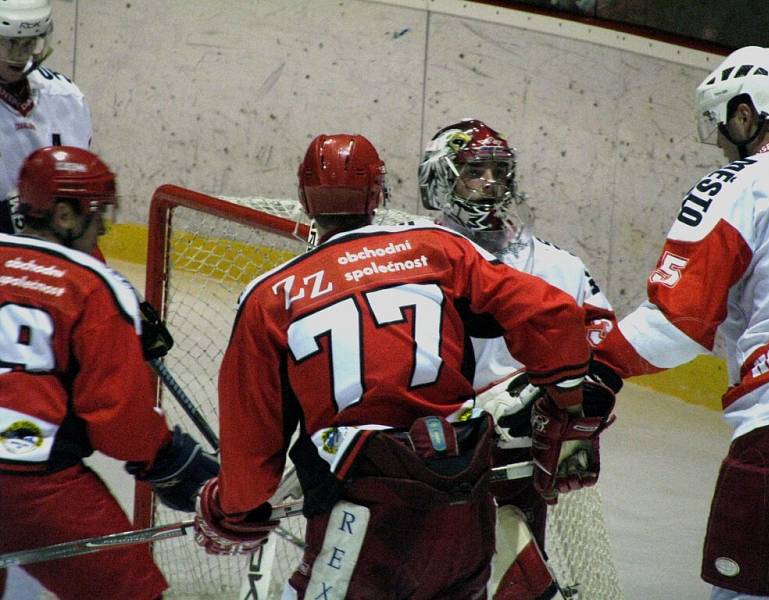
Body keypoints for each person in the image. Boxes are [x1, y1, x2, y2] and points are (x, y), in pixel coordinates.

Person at [192, 133, 613, 600]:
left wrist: (230, 510)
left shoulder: (269, 297)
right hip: (462, 506)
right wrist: (568, 405)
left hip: (361, 515)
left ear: (303, 199)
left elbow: (251, 451)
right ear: (379, 195)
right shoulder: (438, 248)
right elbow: (553, 315)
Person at [592, 46, 769, 600]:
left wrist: (595, 369)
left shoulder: (741, 183)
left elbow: (679, 323)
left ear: (745, 114)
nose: (718, 142)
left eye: (721, 125)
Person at [0, 146, 218, 600]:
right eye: (98, 213)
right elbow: (117, 420)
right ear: (64, 214)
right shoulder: (93, 286)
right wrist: (167, 461)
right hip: (34, 489)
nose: (104, 226)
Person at [418, 119, 621, 599]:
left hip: (516, 450)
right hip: (431, 446)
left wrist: (577, 411)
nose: (490, 183)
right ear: (440, 179)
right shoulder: (411, 253)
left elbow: (602, 339)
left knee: (516, 577)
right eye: (474, 171)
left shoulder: (556, 265)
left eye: (498, 171)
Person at [0, 0, 92, 237]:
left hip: (49, 242)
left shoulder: (66, 97)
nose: (18, 54)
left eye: (29, 42)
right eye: (9, 42)